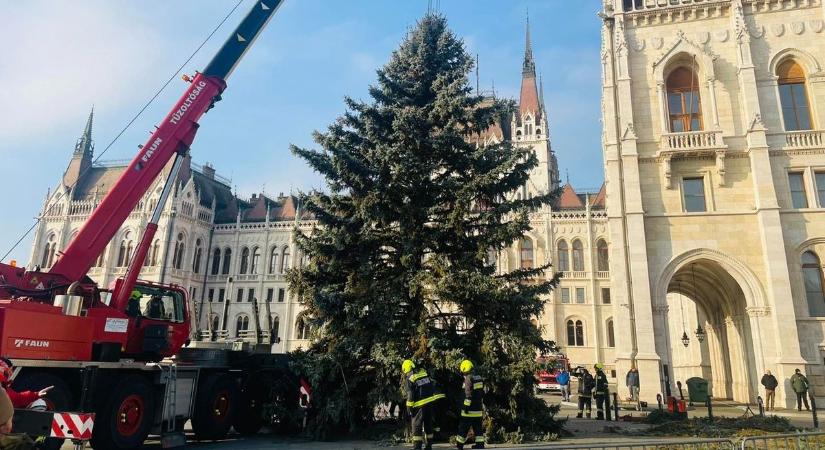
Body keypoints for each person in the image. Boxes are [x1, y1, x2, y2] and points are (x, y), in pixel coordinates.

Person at [402, 359, 443, 450]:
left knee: (416, 425)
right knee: (428, 424)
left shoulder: (410, 379)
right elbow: (431, 386)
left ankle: (417, 447)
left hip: (419, 406)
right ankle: (429, 446)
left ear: (406, 370)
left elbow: (410, 395)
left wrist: (409, 408)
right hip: (429, 403)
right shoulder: (423, 374)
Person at [455, 359, 485, 450]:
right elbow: (480, 393)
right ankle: (480, 445)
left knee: (463, 428)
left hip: (469, 410)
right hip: (478, 409)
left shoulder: (469, 379)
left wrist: (465, 407)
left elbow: (468, 395)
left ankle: (459, 445)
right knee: (478, 429)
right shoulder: (478, 377)